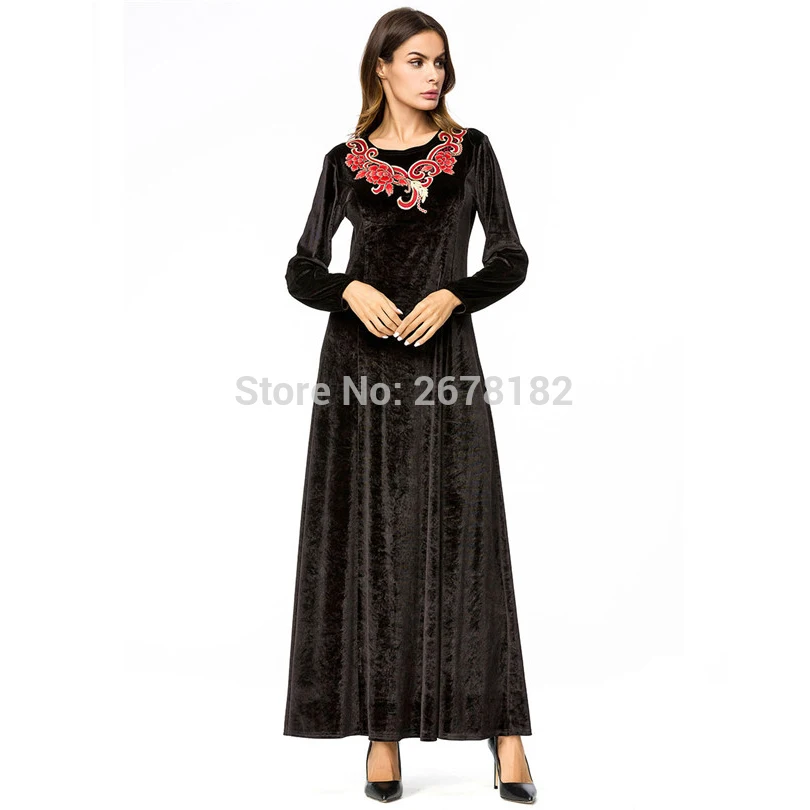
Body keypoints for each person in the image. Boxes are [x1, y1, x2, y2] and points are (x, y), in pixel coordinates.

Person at [282, 8, 537, 804]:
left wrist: (455, 295)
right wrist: (345, 288)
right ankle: (381, 732)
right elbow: (300, 268)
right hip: (359, 371)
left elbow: (510, 257)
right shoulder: (344, 163)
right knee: (371, 541)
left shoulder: (471, 153)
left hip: (443, 363)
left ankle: (505, 731)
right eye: (418, 61)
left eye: (441, 62)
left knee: (468, 535)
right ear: (382, 68)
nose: (434, 75)